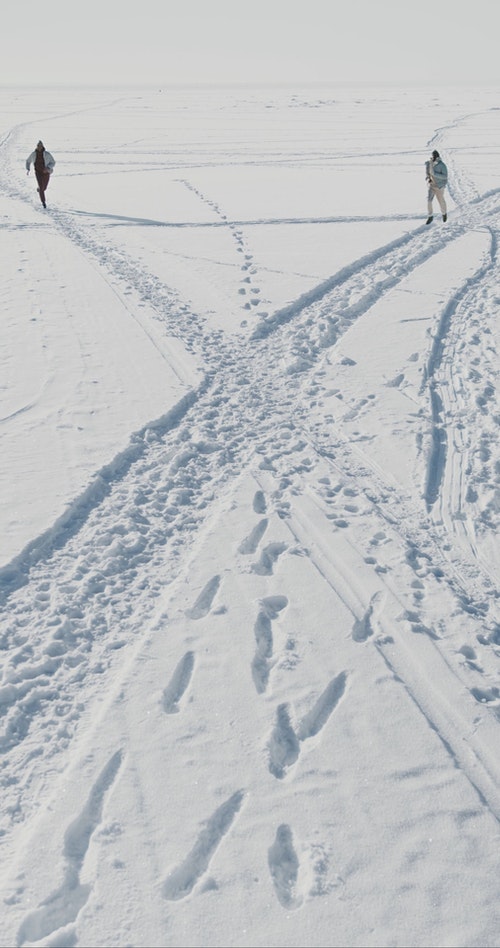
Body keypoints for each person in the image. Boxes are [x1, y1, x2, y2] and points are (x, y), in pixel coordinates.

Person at [26, 140, 55, 208]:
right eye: (38, 146)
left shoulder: (47, 154)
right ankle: (43, 202)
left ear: (43, 146)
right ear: (37, 146)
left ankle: (39, 189)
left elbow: (53, 162)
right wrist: (28, 169)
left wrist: (48, 168)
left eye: (41, 146)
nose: (39, 147)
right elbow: (28, 161)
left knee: (44, 188)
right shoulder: (33, 154)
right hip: (38, 173)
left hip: (46, 173)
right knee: (42, 187)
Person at [425, 149, 447, 225]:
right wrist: (428, 177)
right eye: (433, 155)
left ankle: (444, 213)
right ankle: (430, 216)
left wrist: (435, 174)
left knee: (441, 201)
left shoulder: (442, 165)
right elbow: (428, 172)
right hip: (432, 186)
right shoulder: (429, 163)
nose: (434, 157)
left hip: (439, 187)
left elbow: (445, 176)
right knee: (429, 201)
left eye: (435, 156)